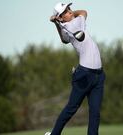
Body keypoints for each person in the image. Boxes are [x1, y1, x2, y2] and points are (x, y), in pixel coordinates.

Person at [45, 2, 105, 135]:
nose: (70, 12)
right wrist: (58, 21)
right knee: (72, 108)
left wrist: (56, 22)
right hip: (84, 75)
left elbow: (64, 40)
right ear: (61, 17)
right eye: (65, 11)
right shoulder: (75, 23)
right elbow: (84, 12)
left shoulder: (66, 26)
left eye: (69, 9)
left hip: (99, 75)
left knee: (95, 112)